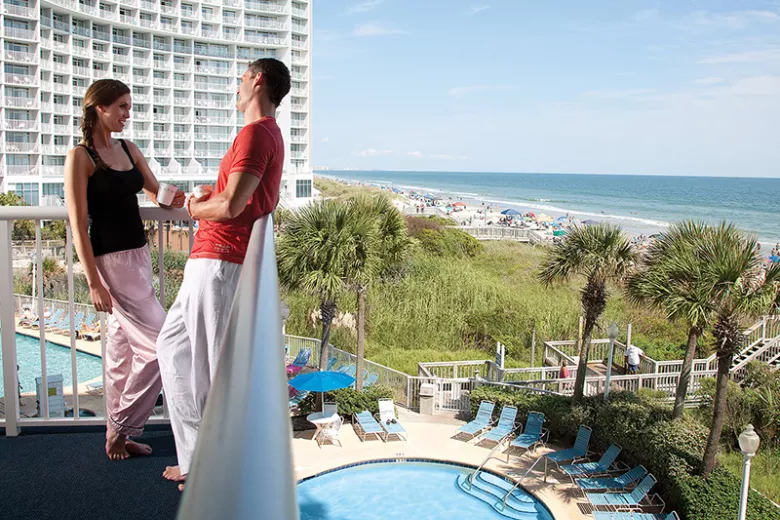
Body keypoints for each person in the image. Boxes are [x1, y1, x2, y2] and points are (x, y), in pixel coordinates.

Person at [156, 58, 290, 489]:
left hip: (220, 260)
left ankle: (217, 475)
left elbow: (232, 207)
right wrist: (209, 195)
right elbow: (239, 197)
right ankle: (199, 459)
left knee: (213, 370)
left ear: (259, 81)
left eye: (241, 78)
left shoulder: (256, 133)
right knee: (173, 347)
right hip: (213, 259)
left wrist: (191, 208)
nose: (236, 87)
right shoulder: (262, 134)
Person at [64, 79, 186, 460]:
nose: (127, 114)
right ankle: (121, 426)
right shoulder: (81, 157)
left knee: (120, 351)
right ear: (98, 108)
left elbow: (153, 191)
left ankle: (116, 434)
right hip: (111, 264)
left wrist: (181, 199)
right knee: (163, 344)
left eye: (129, 107)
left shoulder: (129, 149)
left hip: (138, 256)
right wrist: (94, 282)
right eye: (120, 106)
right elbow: (78, 224)